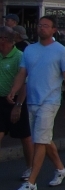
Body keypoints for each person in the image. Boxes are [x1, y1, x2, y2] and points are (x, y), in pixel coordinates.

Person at [8, 15, 65, 190]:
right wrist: (14, 90)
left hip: (50, 101)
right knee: (43, 138)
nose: (41, 28)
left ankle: (31, 182)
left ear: (53, 30)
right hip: (32, 100)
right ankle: (60, 168)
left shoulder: (61, 51)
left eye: (46, 25)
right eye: (40, 25)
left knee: (38, 141)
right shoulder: (30, 50)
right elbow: (23, 73)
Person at [0, 26, 34, 181]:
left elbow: (25, 83)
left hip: (17, 101)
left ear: (4, 40)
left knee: (25, 137)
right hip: (1, 101)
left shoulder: (20, 56)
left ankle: (31, 167)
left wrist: (18, 105)